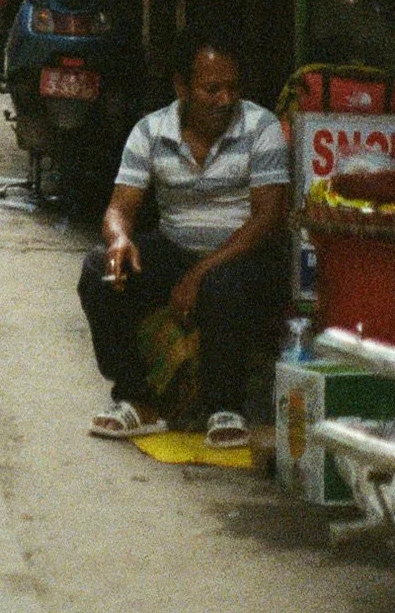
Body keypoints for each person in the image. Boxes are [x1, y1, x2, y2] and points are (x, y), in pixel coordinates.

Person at [78, 29, 288, 445]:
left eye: (232, 88)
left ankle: (224, 407)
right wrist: (119, 239)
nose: (224, 99)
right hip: (176, 248)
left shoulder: (261, 127)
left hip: (242, 256)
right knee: (99, 269)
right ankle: (136, 398)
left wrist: (198, 275)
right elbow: (120, 207)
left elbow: (267, 218)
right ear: (182, 87)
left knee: (222, 284)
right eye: (211, 89)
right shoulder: (150, 132)